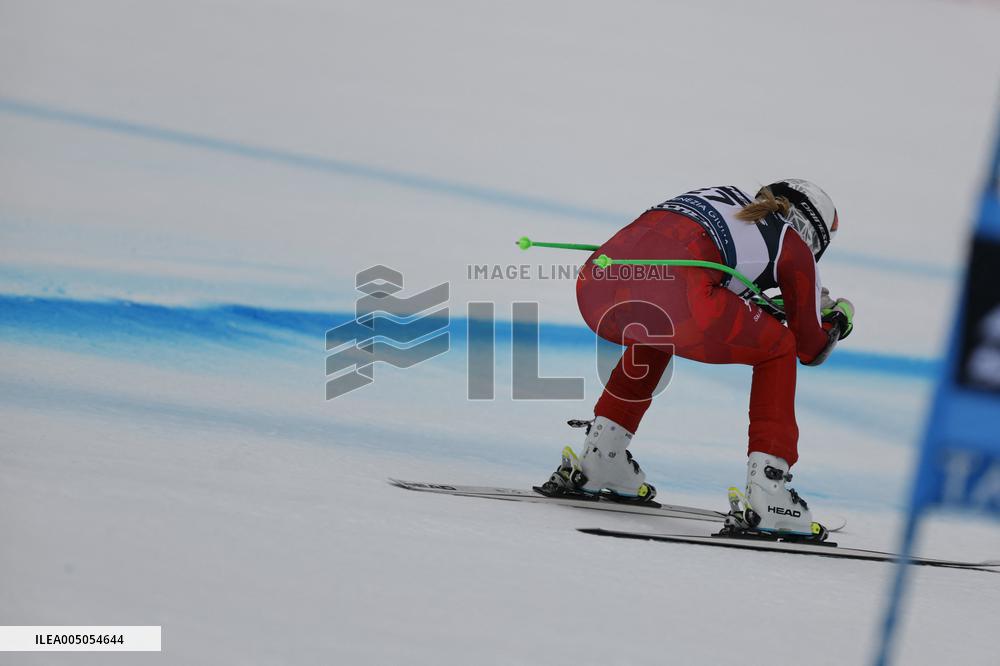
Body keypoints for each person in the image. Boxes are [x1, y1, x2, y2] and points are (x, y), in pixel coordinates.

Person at [539, 180, 854, 537]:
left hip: (596, 286)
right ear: (811, 231)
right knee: (778, 348)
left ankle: (601, 456)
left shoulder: (724, 193)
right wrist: (838, 319)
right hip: (679, 296)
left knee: (658, 331)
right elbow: (809, 348)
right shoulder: (791, 241)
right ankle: (770, 493)